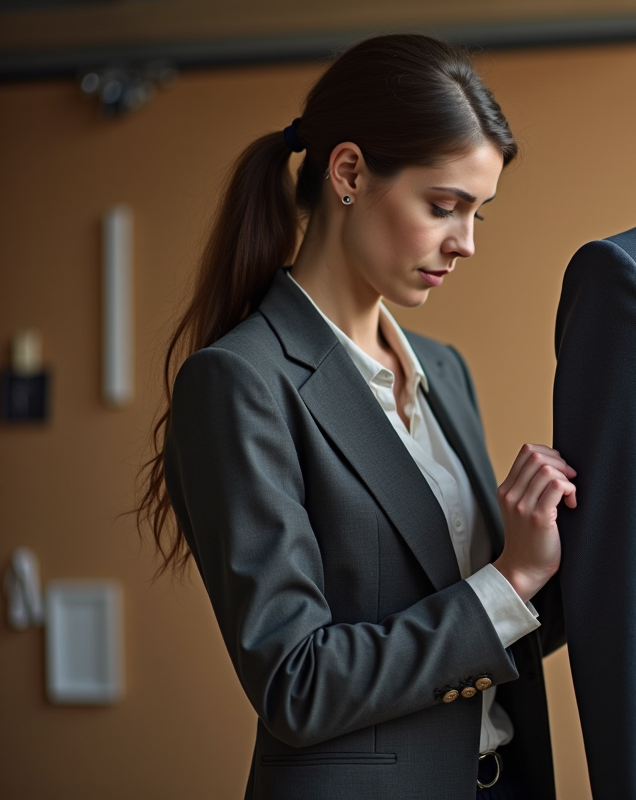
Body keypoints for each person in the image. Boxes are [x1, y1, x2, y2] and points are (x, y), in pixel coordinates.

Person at [136, 34, 575, 800]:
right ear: (348, 173)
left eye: (480, 214)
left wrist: (569, 547)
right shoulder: (240, 382)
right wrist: (509, 580)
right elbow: (296, 684)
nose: (466, 243)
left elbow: (481, 631)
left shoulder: (443, 369)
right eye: (444, 206)